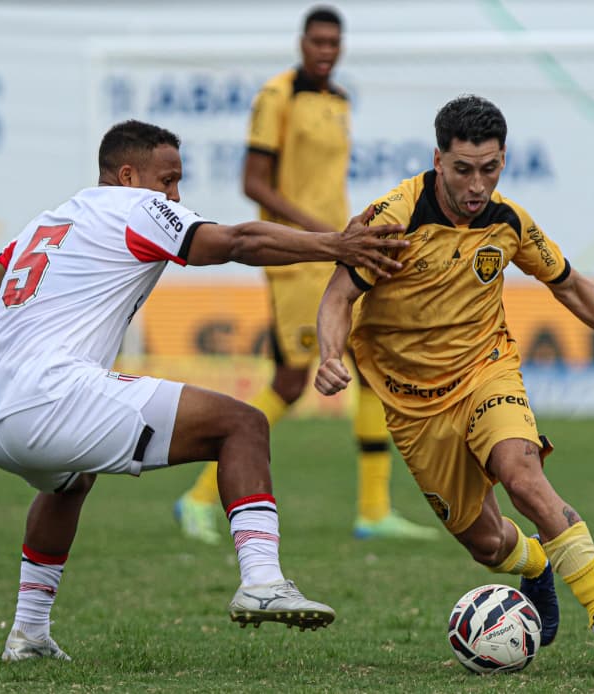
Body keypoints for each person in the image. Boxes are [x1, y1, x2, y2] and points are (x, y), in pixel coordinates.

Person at [0, 119, 410, 662]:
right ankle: (261, 582)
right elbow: (234, 242)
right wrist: (335, 244)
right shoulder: (134, 207)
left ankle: (28, 633)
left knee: (71, 481)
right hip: (52, 397)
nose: (175, 196)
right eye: (168, 180)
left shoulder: (46, 224)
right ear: (128, 176)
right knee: (243, 425)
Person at [314, 94, 594, 668]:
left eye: (490, 167)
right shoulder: (395, 219)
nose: (477, 184)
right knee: (487, 543)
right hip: (414, 407)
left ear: (503, 160)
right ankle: (535, 564)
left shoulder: (509, 223)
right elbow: (338, 294)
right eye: (463, 169)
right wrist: (330, 353)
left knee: (523, 476)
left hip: (486, 372)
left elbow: (570, 286)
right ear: (437, 160)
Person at [173, 5, 437, 545]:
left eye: (333, 43)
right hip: (298, 257)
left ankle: (373, 510)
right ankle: (197, 497)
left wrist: (345, 237)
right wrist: (321, 234)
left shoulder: (338, 101)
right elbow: (254, 183)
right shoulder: (278, 97)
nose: (325, 50)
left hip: (339, 248)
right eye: (317, 41)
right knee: (293, 380)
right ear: (302, 43)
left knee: (367, 365)